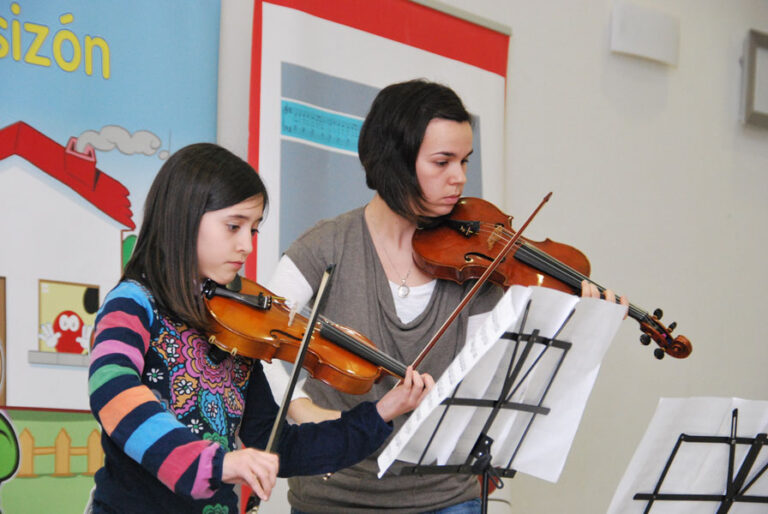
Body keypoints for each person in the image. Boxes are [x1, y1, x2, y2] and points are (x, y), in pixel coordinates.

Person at [262, 79, 628, 513]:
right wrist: (303, 411)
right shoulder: (327, 246)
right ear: (394, 161)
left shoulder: (480, 258)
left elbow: (502, 373)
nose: (460, 178)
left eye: (464, 161)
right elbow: (256, 334)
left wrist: (579, 322)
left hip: (446, 498)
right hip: (335, 496)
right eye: (442, 162)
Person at [87, 143, 433, 514]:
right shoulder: (134, 303)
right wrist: (217, 463)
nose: (246, 246)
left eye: (252, 230)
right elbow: (112, 386)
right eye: (234, 226)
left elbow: (279, 445)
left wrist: (380, 413)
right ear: (182, 217)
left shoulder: (234, 327)